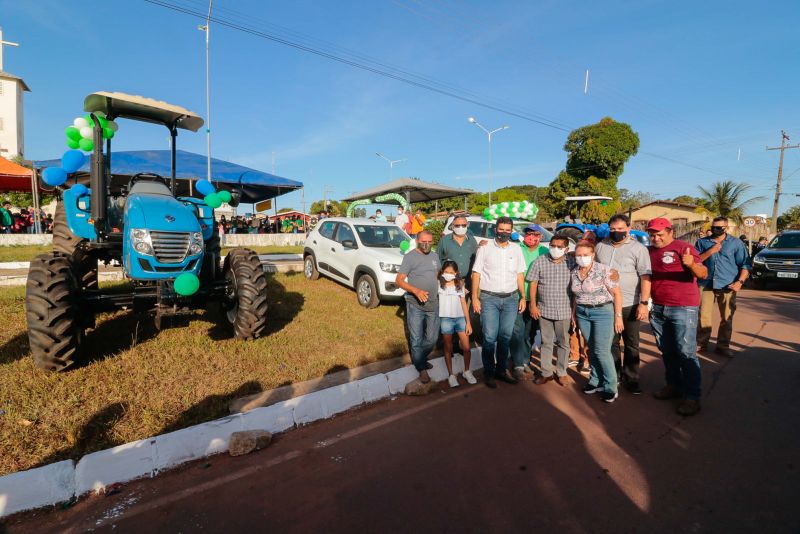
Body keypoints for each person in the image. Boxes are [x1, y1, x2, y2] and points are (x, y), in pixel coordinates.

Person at [646, 217, 708, 416]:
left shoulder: (684, 248)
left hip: (683, 307)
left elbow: (703, 273)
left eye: (659, 234)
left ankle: (692, 397)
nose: (656, 238)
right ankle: (673, 385)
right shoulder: (649, 251)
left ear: (670, 231)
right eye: (652, 234)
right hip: (658, 308)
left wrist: (691, 265)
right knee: (667, 350)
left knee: (686, 352)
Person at [595, 214, 652, 395]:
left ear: (628, 228)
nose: (616, 232)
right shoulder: (601, 246)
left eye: (620, 229)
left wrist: (644, 303)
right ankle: (615, 375)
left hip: (630, 303)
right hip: (606, 304)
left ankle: (632, 378)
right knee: (611, 343)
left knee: (631, 343)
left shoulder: (639, 249)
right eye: (613, 229)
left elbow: (645, 277)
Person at [471, 217, 527, 388]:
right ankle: (489, 372)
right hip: (489, 298)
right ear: (495, 230)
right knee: (489, 337)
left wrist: (523, 296)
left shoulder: (516, 249)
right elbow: (476, 273)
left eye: (507, 230)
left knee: (505, 337)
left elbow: (519, 274)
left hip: (511, 299)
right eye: (501, 229)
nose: (504, 232)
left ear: (512, 231)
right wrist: (474, 297)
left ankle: (501, 371)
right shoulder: (485, 248)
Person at [570, 242, 625, 403]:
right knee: (592, 348)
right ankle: (595, 380)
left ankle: (610, 386)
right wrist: (574, 314)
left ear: (593, 255)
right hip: (582, 312)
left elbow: (617, 294)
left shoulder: (604, 270)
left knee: (602, 351)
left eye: (585, 255)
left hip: (603, 312)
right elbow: (575, 296)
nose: (581, 258)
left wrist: (618, 316)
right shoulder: (574, 272)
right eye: (578, 255)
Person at [694, 216, 751, 357]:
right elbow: (695, 262)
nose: (715, 230)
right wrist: (711, 251)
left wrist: (740, 282)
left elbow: (745, 265)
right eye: (713, 227)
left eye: (719, 228)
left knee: (727, 316)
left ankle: (723, 345)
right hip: (705, 284)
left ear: (726, 228)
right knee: (703, 316)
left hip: (728, 285)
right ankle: (701, 343)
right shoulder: (702, 242)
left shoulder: (736, 244)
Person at [527, 235, 575, 386]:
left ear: (566, 249)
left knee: (563, 343)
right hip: (544, 310)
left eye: (560, 247)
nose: (555, 249)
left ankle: (561, 372)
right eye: (553, 245)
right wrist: (533, 305)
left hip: (564, 310)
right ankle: (546, 372)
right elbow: (533, 283)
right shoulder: (540, 261)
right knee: (546, 342)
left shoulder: (572, 262)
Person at [395, 231, 440, 383]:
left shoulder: (434, 256)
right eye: (423, 242)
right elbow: (399, 280)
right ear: (417, 241)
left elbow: (437, 274)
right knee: (416, 338)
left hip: (433, 303)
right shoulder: (410, 257)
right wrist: (416, 290)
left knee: (432, 338)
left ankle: (420, 358)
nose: (426, 244)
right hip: (415, 304)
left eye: (430, 242)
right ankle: (421, 368)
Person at [510, 224, 549, 380]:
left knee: (529, 332)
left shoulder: (545, 252)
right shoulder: (516, 249)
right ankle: (517, 363)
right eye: (529, 234)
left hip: (537, 299)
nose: (532, 237)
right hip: (518, 296)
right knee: (517, 331)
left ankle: (525, 360)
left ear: (540, 237)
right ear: (524, 235)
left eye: (536, 235)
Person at [437, 260, 476, 387]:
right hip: (446, 319)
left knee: (467, 348)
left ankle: (467, 371)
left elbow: (464, 303)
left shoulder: (459, 284)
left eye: (451, 272)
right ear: (442, 272)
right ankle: (451, 375)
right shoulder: (438, 284)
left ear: (456, 273)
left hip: (460, 319)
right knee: (448, 348)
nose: (448, 274)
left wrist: (468, 322)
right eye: (446, 272)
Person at [437, 215, 478, 289]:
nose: (460, 227)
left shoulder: (472, 240)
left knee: (464, 300)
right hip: (449, 282)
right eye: (457, 225)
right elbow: (438, 259)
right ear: (452, 226)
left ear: (467, 225)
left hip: (467, 282)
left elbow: (476, 259)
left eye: (463, 225)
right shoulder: (444, 240)